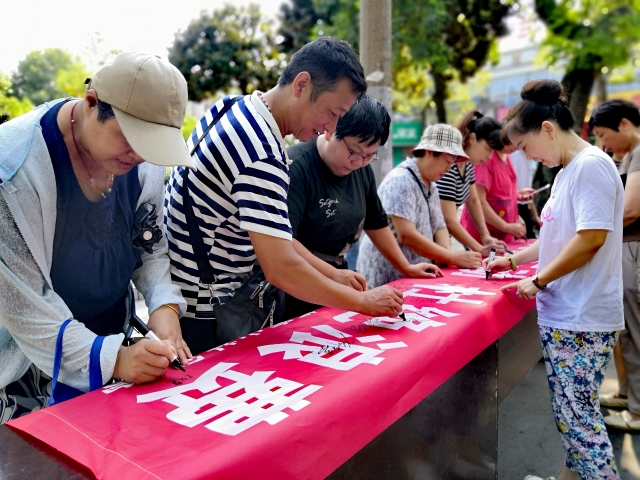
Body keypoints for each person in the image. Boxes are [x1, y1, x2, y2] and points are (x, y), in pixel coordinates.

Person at [165, 37, 404, 354]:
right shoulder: (262, 154)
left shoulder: (234, 108)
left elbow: (272, 234)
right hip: (207, 312)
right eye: (333, 113)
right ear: (302, 84)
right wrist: (362, 302)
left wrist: (332, 274)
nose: (331, 127)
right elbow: (279, 267)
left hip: (186, 294)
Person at [0, 53, 192, 423]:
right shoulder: (13, 176)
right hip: (26, 364)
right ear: (91, 104)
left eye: (152, 144)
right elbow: (26, 308)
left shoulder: (141, 161)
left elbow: (149, 242)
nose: (139, 155)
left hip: (108, 333)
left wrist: (164, 306)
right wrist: (115, 359)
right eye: (132, 137)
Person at [487, 79, 624, 480]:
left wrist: (539, 281)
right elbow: (553, 239)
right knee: (571, 414)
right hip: (569, 312)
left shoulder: (590, 166)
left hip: (580, 316)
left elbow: (590, 239)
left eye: (526, 147)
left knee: (581, 422)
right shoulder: (568, 172)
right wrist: (513, 260)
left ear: (547, 129)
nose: (530, 157)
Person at [285, 97, 442, 319]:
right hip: (299, 282)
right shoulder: (295, 167)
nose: (359, 162)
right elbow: (285, 240)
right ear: (331, 131)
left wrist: (406, 267)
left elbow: (376, 223)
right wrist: (332, 275)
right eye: (355, 153)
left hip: (340, 275)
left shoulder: (361, 170)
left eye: (369, 157)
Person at [358, 124, 480, 288]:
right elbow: (407, 235)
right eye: (447, 162)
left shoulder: (432, 185)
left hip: (414, 276)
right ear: (430, 152)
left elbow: (440, 227)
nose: (448, 169)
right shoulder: (402, 180)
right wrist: (452, 257)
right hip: (387, 278)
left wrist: (444, 254)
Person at [589, 99, 640, 431]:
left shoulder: (638, 153)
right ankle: (627, 394)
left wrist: (589, 228)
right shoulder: (630, 155)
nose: (604, 145)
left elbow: (630, 209)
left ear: (624, 124)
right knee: (628, 332)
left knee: (635, 334)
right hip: (628, 249)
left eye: (604, 135)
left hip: (633, 251)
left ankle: (637, 411)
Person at [436, 111, 512, 256]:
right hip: (432, 242)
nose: (490, 157)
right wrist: (478, 248)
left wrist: (485, 236)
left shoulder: (467, 164)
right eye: (488, 149)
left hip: (442, 242)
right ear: (472, 138)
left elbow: (473, 200)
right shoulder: (449, 167)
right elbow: (449, 220)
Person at [460, 140, 529, 244]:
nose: (517, 146)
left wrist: (516, 213)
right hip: (482, 237)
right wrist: (504, 226)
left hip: (503, 235)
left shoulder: (506, 155)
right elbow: (477, 201)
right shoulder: (483, 159)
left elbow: (500, 192)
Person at [511, 148, 541, 238]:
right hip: (513, 207)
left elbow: (527, 194)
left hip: (525, 207)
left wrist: (535, 216)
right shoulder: (513, 155)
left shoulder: (529, 159)